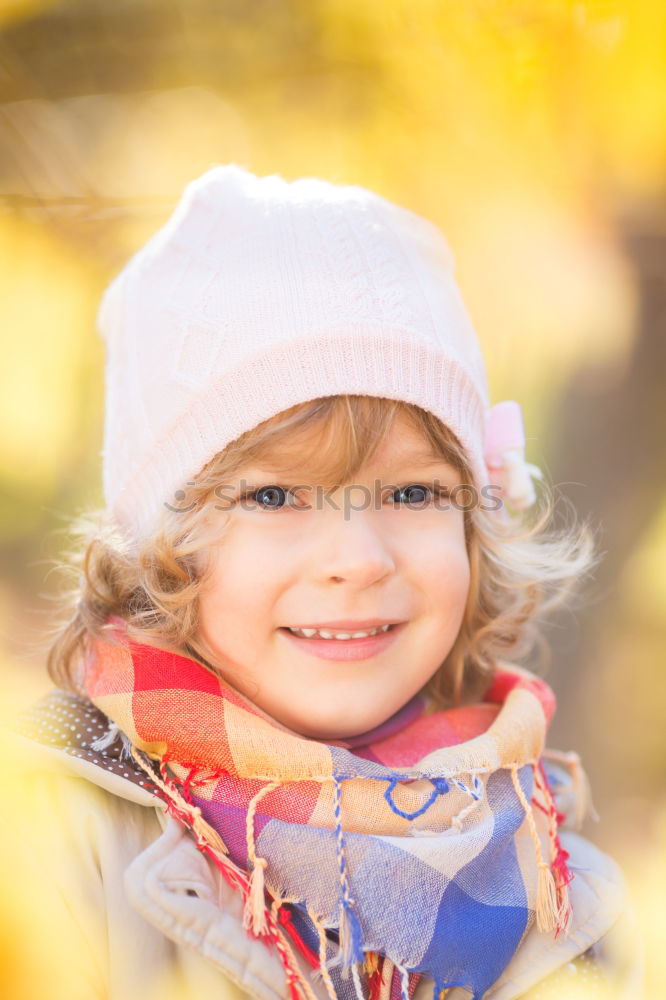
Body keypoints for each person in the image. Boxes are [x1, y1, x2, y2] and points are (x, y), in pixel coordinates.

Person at [12, 165, 632, 1000]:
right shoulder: (51, 850)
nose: (359, 559)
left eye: (414, 492)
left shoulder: (555, 870)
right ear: (160, 549)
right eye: (273, 495)